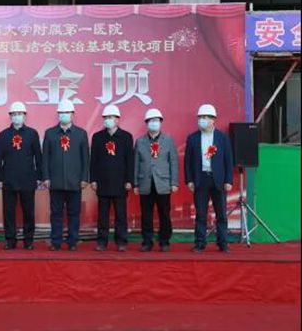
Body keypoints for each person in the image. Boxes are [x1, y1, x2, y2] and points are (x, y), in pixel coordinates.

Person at [185, 104, 233, 253]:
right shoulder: (192, 138)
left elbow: (228, 160)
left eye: (205, 117)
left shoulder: (222, 138)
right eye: (200, 117)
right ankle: (200, 243)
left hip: (218, 179)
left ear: (213, 120)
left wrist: (228, 180)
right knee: (201, 214)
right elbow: (187, 162)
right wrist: (189, 180)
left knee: (221, 214)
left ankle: (223, 243)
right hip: (201, 179)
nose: (201, 120)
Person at [42, 99, 89, 251]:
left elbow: (85, 158)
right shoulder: (50, 133)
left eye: (67, 112)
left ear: (73, 115)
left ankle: (72, 241)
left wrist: (84, 178)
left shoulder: (81, 134)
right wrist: (46, 177)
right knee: (56, 214)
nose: (64, 115)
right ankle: (56, 241)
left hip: (75, 182)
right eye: (61, 112)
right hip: (55, 181)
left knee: (74, 213)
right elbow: (45, 158)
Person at [0, 101, 42, 250]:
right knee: (8, 212)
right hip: (8, 179)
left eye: (19, 114)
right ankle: (10, 240)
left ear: (24, 115)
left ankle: (29, 240)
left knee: (28, 212)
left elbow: (38, 157)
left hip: (28, 179)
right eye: (14, 114)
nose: (16, 116)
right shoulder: (3, 135)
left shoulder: (32, 134)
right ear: (10, 116)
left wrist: (39, 176)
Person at [133, 108, 179, 252]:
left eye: (156, 120)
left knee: (164, 213)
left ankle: (164, 241)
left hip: (163, 183)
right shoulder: (140, 141)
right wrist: (135, 183)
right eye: (151, 121)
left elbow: (173, 162)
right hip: (145, 183)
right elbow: (136, 163)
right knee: (146, 214)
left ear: (160, 122)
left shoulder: (168, 140)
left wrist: (174, 182)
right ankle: (147, 241)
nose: (154, 123)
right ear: (146, 123)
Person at [90, 104, 134, 252]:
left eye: (110, 117)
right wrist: (93, 179)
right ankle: (102, 242)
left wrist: (129, 180)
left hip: (120, 183)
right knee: (102, 216)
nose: (107, 120)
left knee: (120, 215)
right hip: (102, 182)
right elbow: (93, 160)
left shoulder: (126, 137)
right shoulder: (97, 137)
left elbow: (130, 160)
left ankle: (121, 242)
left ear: (117, 119)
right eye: (105, 117)